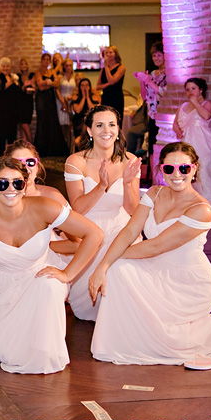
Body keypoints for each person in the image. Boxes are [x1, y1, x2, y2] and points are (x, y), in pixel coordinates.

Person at [88, 142, 211, 368]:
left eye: (184, 168)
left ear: (195, 169)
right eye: (169, 169)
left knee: (116, 266)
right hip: (155, 269)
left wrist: (108, 261)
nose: (177, 174)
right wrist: (104, 265)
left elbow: (155, 247)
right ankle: (135, 340)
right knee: (116, 270)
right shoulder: (155, 192)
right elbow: (131, 230)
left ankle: (201, 333)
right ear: (161, 169)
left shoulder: (201, 209)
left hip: (189, 284)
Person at [0, 157, 103, 374]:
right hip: (2, 290)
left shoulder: (45, 207)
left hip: (39, 276)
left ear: (25, 185)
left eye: (17, 183)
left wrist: (68, 274)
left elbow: (94, 234)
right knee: (0, 350)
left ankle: (43, 348)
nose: (10, 189)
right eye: (3, 183)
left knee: (48, 285)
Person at [61, 105, 141, 321]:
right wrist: (101, 186)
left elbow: (134, 210)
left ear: (118, 129)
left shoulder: (130, 160)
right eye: (99, 125)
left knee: (125, 276)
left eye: (112, 125)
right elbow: (77, 208)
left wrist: (126, 184)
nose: (106, 130)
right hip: (88, 230)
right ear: (89, 131)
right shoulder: (76, 161)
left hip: (121, 227)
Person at [172, 78, 211, 208]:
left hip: (204, 146)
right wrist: (177, 130)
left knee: (204, 175)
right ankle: (188, 206)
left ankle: (207, 207)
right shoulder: (183, 106)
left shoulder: (207, 104)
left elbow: (206, 116)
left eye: (193, 88)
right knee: (187, 174)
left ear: (201, 90)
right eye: (188, 89)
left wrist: (196, 103)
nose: (190, 92)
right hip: (187, 145)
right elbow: (175, 123)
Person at [132, 42, 167, 181]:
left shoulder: (169, 73)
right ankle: (154, 180)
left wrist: (149, 81)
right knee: (152, 148)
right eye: (154, 55)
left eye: (159, 54)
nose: (156, 58)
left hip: (164, 115)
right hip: (152, 115)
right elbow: (145, 96)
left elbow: (164, 93)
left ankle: (163, 179)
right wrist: (142, 82)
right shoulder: (153, 73)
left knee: (162, 147)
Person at [29, 52, 68, 157]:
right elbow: (40, 86)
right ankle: (42, 148)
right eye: (44, 59)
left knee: (52, 120)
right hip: (41, 99)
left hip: (50, 98)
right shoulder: (38, 72)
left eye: (48, 60)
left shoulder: (52, 71)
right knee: (42, 121)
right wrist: (48, 83)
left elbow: (56, 84)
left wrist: (48, 83)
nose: (46, 61)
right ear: (41, 61)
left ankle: (54, 148)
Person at [0, 57, 22, 156]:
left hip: (12, 109)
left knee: (12, 132)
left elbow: (18, 91)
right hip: (2, 109)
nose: (5, 68)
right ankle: (0, 152)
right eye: (3, 66)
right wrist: (11, 82)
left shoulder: (13, 77)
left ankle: (11, 152)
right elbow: (0, 89)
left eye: (7, 66)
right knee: (2, 132)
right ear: (0, 67)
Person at [69, 77, 99, 150]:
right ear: (79, 86)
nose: (84, 87)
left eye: (86, 85)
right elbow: (78, 110)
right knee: (81, 127)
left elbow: (92, 109)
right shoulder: (76, 96)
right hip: (79, 120)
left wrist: (87, 97)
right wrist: (83, 97)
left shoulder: (94, 96)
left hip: (90, 120)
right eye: (82, 85)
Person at [56, 57, 78, 153]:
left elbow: (77, 89)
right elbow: (56, 89)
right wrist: (62, 100)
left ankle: (70, 148)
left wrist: (71, 97)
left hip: (71, 101)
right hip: (61, 101)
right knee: (62, 125)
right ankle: (63, 148)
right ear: (64, 67)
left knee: (70, 125)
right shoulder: (60, 77)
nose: (68, 67)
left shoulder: (75, 77)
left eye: (70, 65)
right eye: (67, 65)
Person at [97, 45, 126, 118]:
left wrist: (106, 67)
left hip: (116, 98)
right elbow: (98, 86)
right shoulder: (103, 70)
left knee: (116, 120)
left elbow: (112, 81)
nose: (108, 55)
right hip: (106, 98)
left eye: (110, 52)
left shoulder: (121, 67)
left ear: (115, 54)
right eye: (106, 53)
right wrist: (107, 84)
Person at [16, 57, 35, 142]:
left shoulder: (32, 75)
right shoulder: (18, 76)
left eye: (25, 63)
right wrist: (25, 85)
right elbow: (18, 90)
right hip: (19, 102)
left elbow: (35, 89)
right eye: (22, 64)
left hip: (28, 102)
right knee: (20, 124)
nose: (23, 66)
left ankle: (31, 144)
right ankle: (24, 144)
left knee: (25, 124)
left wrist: (32, 87)